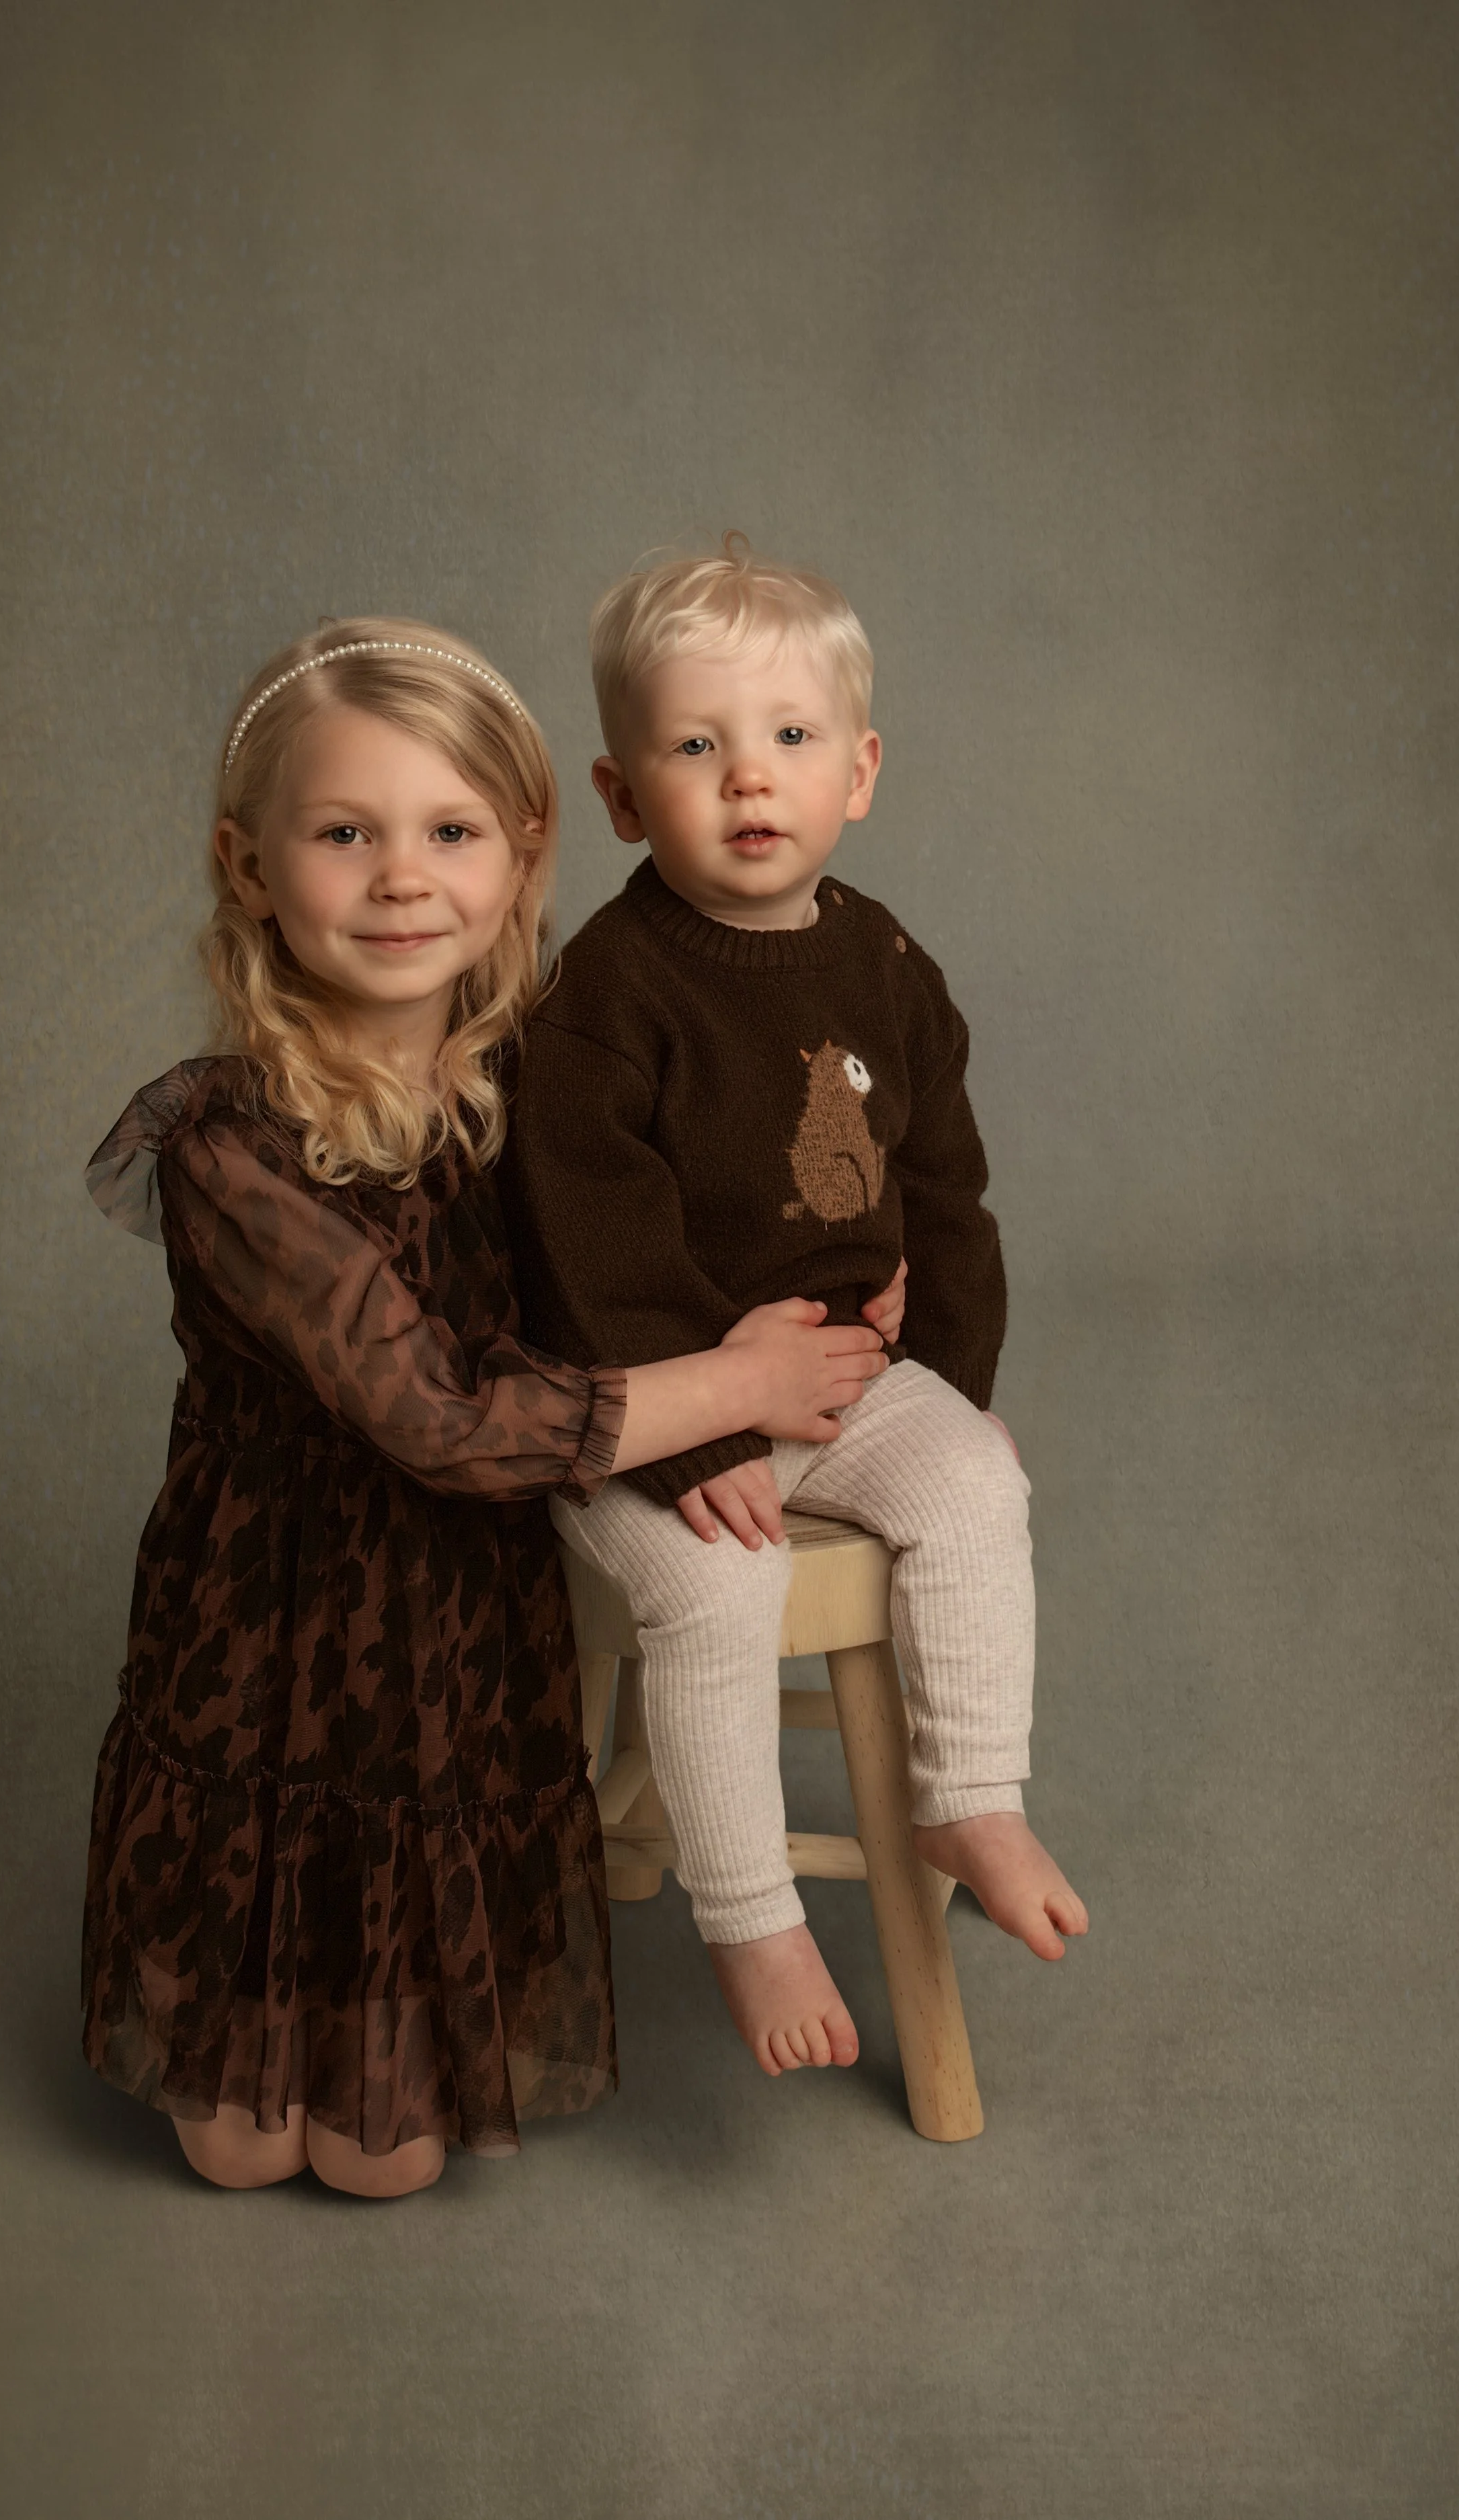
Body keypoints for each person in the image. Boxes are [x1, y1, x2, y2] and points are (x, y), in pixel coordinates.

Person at [80, 619, 888, 2195]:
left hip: (451, 1617)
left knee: (383, 2158)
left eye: (449, 832)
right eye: (343, 833)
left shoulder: (532, 1076)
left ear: (522, 859)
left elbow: (714, 1203)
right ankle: (266, 2033)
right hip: (271, 1604)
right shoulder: (228, 1145)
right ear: (248, 867)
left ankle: (388, 2022)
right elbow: (437, 1416)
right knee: (238, 2142)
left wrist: (862, 1268)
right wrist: (732, 1381)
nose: (400, 877)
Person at [499, 540, 1089, 2081]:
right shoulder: (604, 1000)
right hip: (651, 1413)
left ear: (860, 768)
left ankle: (967, 1787)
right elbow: (585, 1249)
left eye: (788, 737)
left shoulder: (885, 964)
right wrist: (690, 1431)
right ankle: (750, 1909)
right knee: (714, 1593)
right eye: (694, 746)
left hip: (834, 1376)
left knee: (973, 1481)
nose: (747, 777)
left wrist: (949, 1378)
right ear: (625, 795)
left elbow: (946, 1195)